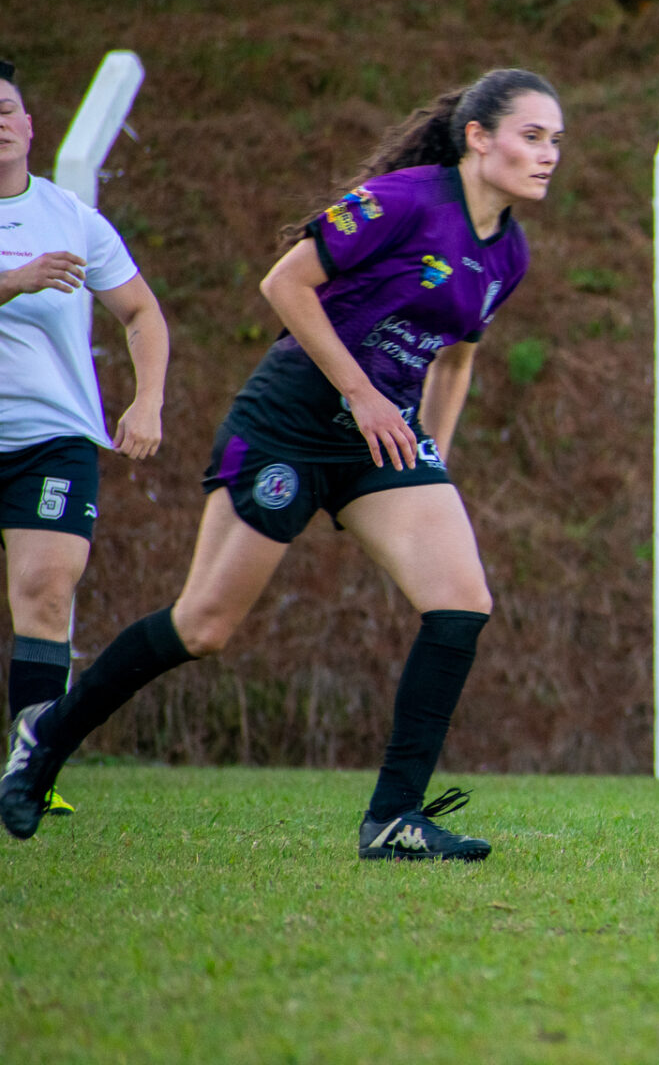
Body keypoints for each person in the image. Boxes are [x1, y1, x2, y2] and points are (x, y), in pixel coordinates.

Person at [3, 68, 561, 857]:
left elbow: (455, 361)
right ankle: (47, 739)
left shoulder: (509, 253)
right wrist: (362, 393)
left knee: (462, 601)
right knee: (204, 625)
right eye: (532, 136)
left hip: (381, 439)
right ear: (479, 137)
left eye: (555, 141)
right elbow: (286, 284)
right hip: (291, 420)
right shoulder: (406, 200)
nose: (548, 155)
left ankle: (394, 819)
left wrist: (430, 463)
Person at [0, 59, 169, 817]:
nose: (0, 120)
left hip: (52, 439)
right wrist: (15, 279)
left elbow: (141, 313)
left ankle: (29, 770)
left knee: (44, 591)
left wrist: (147, 402)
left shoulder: (71, 215)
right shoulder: (36, 255)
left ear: (31, 126)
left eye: (8, 107)